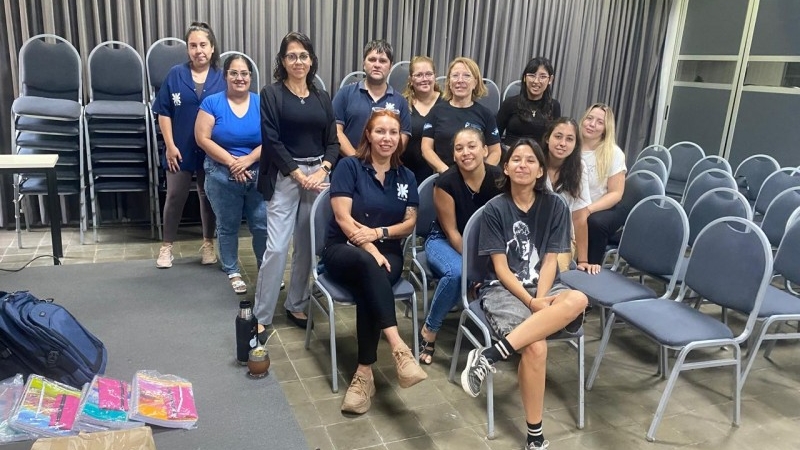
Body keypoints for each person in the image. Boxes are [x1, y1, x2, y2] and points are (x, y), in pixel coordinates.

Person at [460, 138, 588, 450]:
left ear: (541, 170)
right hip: (503, 289)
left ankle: (491, 355)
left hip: (544, 285)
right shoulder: (495, 209)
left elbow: (550, 261)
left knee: (580, 299)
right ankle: (535, 437)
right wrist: (532, 302)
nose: (523, 165)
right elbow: (501, 269)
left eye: (531, 160)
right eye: (516, 159)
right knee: (536, 348)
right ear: (505, 167)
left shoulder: (555, 206)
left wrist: (539, 299)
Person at [321, 109, 427, 414]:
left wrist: (380, 234)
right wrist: (370, 248)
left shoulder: (406, 176)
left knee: (370, 281)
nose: (387, 138)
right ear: (368, 134)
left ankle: (364, 375)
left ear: (400, 138)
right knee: (371, 266)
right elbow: (343, 218)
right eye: (380, 131)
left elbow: (410, 223)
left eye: (393, 132)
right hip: (342, 248)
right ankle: (399, 348)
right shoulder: (350, 167)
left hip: (388, 253)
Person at [254, 32, 339, 339]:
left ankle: (296, 303)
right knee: (277, 248)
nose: (298, 61)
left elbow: (333, 141)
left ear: (311, 60)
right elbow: (271, 140)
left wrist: (323, 169)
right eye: (291, 56)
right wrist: (298, 174)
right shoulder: (271, 93)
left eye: (303, 56)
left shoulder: (322, 97)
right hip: (285, 175)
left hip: (318, 175)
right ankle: (261, 313)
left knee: (307, 246)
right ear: (282, 61)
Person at [418, 127, 502, 365]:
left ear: (485, 150)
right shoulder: (445, 183)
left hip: (486, 245)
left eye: (472, 146)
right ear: (454, 156)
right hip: (443, 240)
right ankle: (430, 329)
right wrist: (476, 268)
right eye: (459, 148)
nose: (466, 152)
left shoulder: (499, 179)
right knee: (457, 272)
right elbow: (453, 234)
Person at [153, 22, 225, 268]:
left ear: (212, 48)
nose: (198, 51)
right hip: (179, 148)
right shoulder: (175, 74)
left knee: (209, 197)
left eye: (203, 45)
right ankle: (166, 247)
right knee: (174, 195)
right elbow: (163, 112)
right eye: (193, 46)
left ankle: (208, 244)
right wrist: (170, 145)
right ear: (187, 49)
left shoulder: (222, 78)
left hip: (211, 150)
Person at [195, 54, 266, 294]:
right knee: (228, 226)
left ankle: (265, 270)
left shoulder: (261, 103)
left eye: (244, 73)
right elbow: (202, 138)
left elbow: (272, 139)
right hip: (221, 174)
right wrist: (232, 162)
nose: (239, 78)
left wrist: (248, 160)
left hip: (257, 173)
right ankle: (232, 270)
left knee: (262, 225)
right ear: (225, 76)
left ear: (250, 77)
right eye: (233, 73)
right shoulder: (212, 103)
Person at [421, 57, 502, 173]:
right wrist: (445, 172)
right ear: (449, 82)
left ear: (475, 83)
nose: (460, 80)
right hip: (444, 175)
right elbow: (426, 148)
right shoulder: (436, 111)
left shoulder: (486, 114)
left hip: (476, 177)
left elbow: (495, 152)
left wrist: (482, 174)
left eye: (466, 76)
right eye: (455, 76)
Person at [541, 118, 600, 274]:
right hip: (533, 234)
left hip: (561, 240)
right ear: (547, 138)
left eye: (569, 139)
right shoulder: (535, 161)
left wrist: (583, 261)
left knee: (551, 272)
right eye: (558, 136)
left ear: (575, 145)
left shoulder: (579, 168)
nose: (562, 143)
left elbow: (579, 217)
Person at [333, 40, 411, 157]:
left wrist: (381, 162)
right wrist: (356, 161)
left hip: (385, 166)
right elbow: (335, 131)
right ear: (364, 63)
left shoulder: (401, 102)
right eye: (372, 59)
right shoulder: (344, 94)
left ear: (390, 66)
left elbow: (402, 138)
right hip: (348, 164)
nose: (377, 65)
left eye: (383, 61)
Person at [579, 103, 626, 265]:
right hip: (573, 204)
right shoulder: (570, 145)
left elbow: (616, 193)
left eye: (600, 122)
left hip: (599, 207)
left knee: (595, 223)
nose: (592, 124)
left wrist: (587, 210)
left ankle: (590, 267)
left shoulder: (614, 153)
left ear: (606, 129)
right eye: (589, 118)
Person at [496, 57, 561, 145]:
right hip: (511, 152)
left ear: (550, 79)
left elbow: (555, 139)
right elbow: (494, 138)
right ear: (524, 77)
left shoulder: (554, 106)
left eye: (542, 77)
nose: (536, 81)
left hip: (540, 153)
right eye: (532, 75)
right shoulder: (509, 103)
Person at [401, 56, 444, 184]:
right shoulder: (402, 103)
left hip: (439, 173)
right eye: (419, 75)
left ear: (435, 76)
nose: (424, 79)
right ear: (410, 80)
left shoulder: (447, 103)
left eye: (428, 74)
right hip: (405, 172)